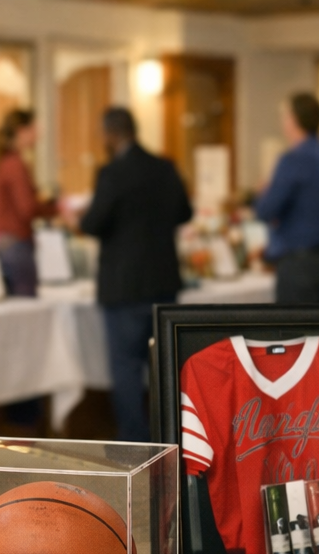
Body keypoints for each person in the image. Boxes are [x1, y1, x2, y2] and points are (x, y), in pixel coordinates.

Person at [77, 107, 191, 442]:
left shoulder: (112, 172)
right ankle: (169, 441)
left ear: (110, 134)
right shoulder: (164, 167)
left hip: (124, 285)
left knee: (127, 367)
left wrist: (80, 217)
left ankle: (135, 445)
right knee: (164, 367)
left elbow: (93, 223)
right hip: (163, 281)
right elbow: (184, 212)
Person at [255, 92, 319, 304]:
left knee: (297, 326)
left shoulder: (293, 160)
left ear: (293, 119)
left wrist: (264, 192)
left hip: (299, 264)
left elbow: (266, 210)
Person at [0, 108, 52, 297]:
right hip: (15, 246)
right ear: (22, 131)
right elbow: (27, 208)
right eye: (34, 129)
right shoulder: (14, 164)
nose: (38, 135)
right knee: (25, 307)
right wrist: (57, 208)